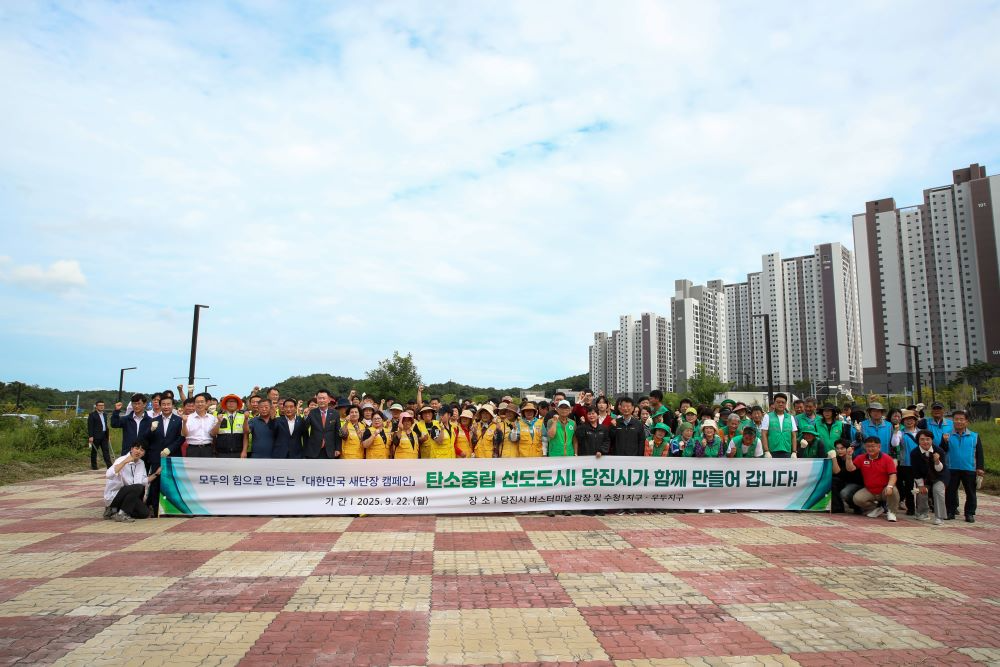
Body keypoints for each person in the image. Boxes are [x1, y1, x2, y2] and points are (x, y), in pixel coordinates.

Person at [142, 395, 183, 516]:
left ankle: (171, 510)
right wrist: (151, 430)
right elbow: (145, 438)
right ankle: (155, 510)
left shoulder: (179, 420)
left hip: (173, 456)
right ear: (160, 406)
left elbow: (181, 438)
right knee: (155, 484)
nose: (166, 407)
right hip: (156, 457)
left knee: (172, 484)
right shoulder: (154, 421)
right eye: (163, 404)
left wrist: (170, 449)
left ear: (173, 406)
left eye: (168, 404)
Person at [846, 436, 899, 522]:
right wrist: (848, 457)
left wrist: (889, 486)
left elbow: (893, 475)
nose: (870, 449)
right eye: (868, 446)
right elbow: (850, 469)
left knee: (894, 491)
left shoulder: (887, 459)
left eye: (873, 446)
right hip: (870, 490)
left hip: (884, 489)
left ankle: (892, 512)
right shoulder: (861, 458)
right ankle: (877, 508)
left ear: (879, 447)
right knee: (857, 499)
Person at [945, 410, 985, 523]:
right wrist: (944, 441)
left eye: (961, 419)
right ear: (952, 421)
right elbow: (942, 450)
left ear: (966, 421)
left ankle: (969, 513)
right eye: (956, 419)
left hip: (969, 468)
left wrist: (980, 468)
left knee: (971, 493)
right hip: (952, 468)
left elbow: (979, 454)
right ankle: (950, 512)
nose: (958, 421)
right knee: (950, 492)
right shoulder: (947, 435)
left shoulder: (974, 436)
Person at [103, 443, 154, 522]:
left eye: (142, 450)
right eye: (136, 448)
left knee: (144, 513)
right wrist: (124, 462)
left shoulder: (141, 463)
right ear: (131, 449)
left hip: (129, 496)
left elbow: (142, 481)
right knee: (138, 487)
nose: (138, 451)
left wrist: (156, 474)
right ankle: (121, 513)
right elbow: (108, 475)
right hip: (114, 495)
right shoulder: (121, 459)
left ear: (144, 453)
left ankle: (114, 511)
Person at [910, 429, 949, 525]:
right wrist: (920, 485)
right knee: (921, 490)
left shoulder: (939, 450)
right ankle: (923, 513)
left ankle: (940, 517)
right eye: (922, 439)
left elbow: (941, 470)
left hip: (940, 476)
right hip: (924, 478)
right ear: (918, 441)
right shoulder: (914, 453)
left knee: (938, 490)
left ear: (932, 440)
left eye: (928, 439)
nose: (925, 442)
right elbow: (915, 471)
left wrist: (937, 461)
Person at [895, 410, 921, 516]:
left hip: (920, 463)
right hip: (906, 464)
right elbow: (894, 443)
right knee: (909, 487)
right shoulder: (901, 433)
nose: (909, 421)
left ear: (915, 421)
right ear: (903, 421)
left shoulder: (921, 432)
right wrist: (895, 432)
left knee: (921, 486)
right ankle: (911, 508)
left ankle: (921, 507)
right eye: (906, 420)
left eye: (911, 419)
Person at [303, 389, 341, 459]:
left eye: (324, 398)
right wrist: (305, 416)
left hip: (330, 450)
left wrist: (338, 449)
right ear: (317, 399)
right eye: (319, 398)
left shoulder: (335, 413)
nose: (321, 400)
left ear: (329, 400)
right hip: (314, 450)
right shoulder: (311, 412)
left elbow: (337, 432)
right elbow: (304, 428)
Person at [829, 441, 864, 514]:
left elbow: (838, 472)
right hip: (844, 481)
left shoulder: (853, 458)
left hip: (856, 483)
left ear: (848, 449)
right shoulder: (839, 458)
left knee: (844, 493)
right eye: (837, 449)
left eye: (842, 448)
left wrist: (833, 458)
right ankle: (838, 508)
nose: (839, 450)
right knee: (833, 481)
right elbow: (834, 473)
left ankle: (857, 507)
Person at [761, 393, 797, 458]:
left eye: (783, 402)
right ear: (774, 403)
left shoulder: (790, 417)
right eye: (778, 402)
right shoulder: (767, 416)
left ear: (786, 404)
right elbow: (764, 434)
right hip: (771, 452)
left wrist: (794, 452)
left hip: (787, 452)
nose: (780, 404)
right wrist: (766, 451)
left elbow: (793, 436)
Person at [181, 392, 217, 457]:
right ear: (194, 404)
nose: (200, 404)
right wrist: (184, 422)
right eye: (197, 402)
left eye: (202, 402)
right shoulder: (188, 418)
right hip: (192, 449)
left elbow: (214, 434)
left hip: (207, 448)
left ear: (206, 403)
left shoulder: (212, 418)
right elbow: (184, 434)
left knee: (207, 467)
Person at [213, 394, 246, 458]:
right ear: (225, 404)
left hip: (238, 452)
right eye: (229, 402)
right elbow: (213, 434)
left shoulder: (243, 416)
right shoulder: (218, 416)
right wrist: (219, 422)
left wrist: (244, 451)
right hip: (221, 453)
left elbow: (246, 436)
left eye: (233, 402)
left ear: (237, 404)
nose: (231, 404)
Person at [87, 400, 112, 470]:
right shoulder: (92, 415)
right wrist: (90, 436)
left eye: (103, 405)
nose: (101, 407)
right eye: (100, 405)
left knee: (106, 451)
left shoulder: (104, 414)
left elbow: (105, 425)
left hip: (104, 435)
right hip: (96, 436)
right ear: (96, 406)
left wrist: (108, 435)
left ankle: (109, 466)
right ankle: (94, 466)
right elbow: (90, 426)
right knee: (94, 451)